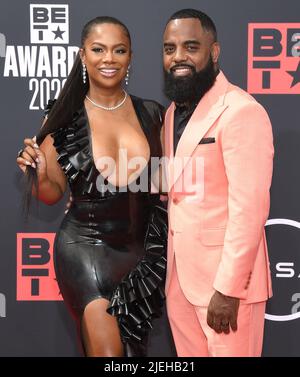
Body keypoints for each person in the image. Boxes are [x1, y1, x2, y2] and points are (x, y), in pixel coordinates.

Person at [16, 16, 167, 357]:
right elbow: (52, 192)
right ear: (83, 56)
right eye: (98, 49)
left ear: (130, 57)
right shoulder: (65, 115)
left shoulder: (153, 114)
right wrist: (40, 173)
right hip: (85, 250)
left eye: (119, 50)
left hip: (140, 257)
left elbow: (165, 185)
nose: (108, 59)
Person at [162, 9, 274, 357]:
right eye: (169, 48)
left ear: (214, 52)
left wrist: (228, 290)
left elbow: (249, 210)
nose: (178, 56)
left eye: (190, 46)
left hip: (225, 289)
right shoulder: (171, 113)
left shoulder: (241, 110)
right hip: (181, 283)